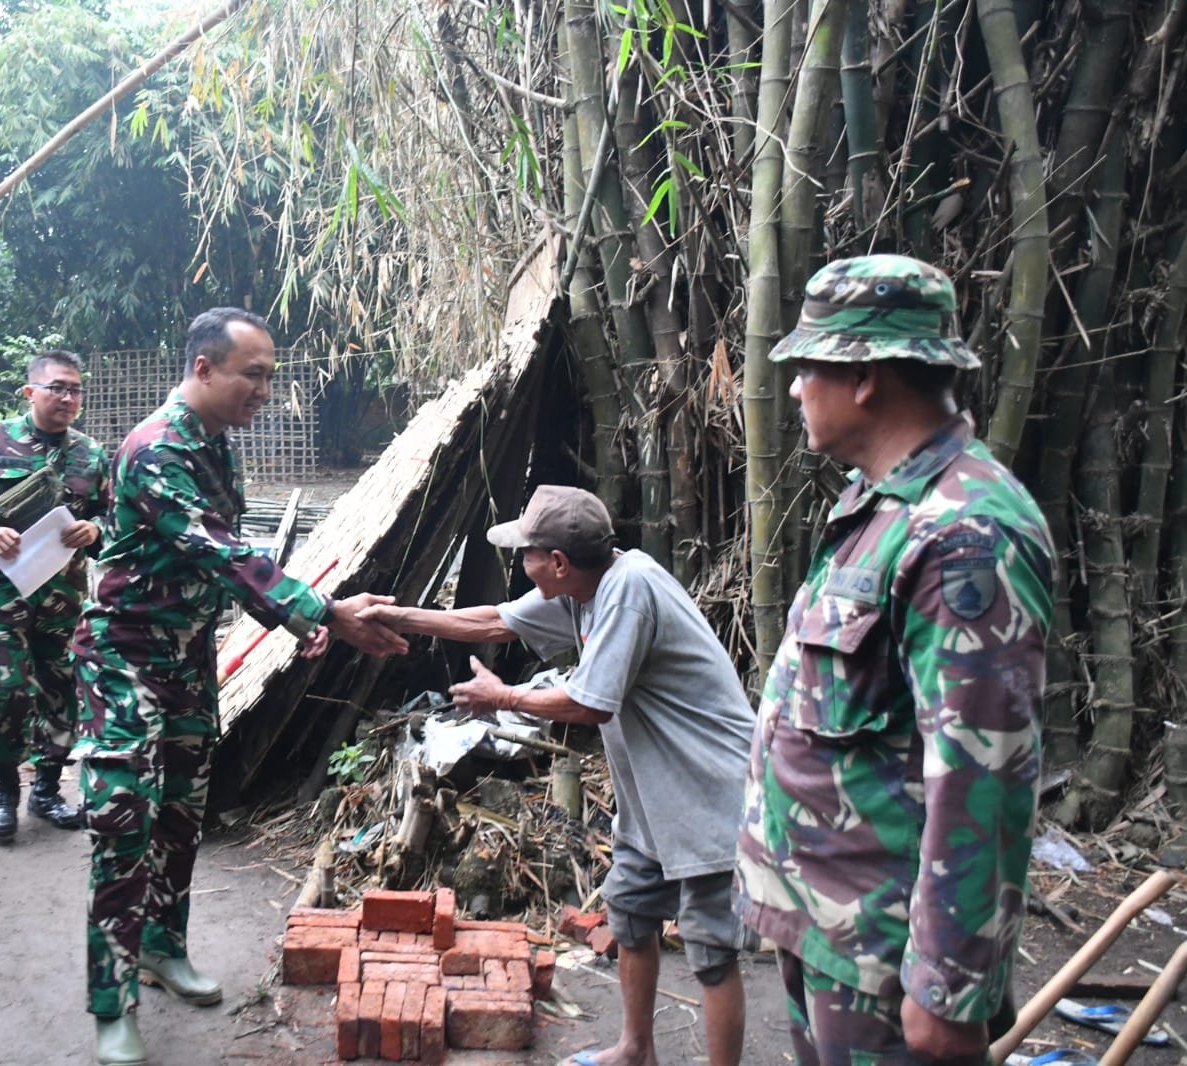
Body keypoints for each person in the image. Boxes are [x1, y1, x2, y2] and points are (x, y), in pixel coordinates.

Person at [734, 255, 1055, 1064]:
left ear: (866, 375)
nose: (798, 387)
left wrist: (948, 986)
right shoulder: (879, 505)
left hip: (883, 950)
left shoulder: (965, 534)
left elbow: (984, 772)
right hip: (830, 921)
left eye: (810, 367)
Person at [71, 308, 408, 1066]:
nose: (265, 390)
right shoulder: (156, 448)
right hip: (125, 657)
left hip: (186, 656)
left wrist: (288, 618)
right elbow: (214, 546)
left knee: (184, 810)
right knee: (124, 817)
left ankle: (162, 947)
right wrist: (317, 609)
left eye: (269, 376)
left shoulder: (215, 445)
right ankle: (111, 1002)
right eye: (252, 374)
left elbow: (225, 557)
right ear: (203, 369)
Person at [360, 484, 756, 1066]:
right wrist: (401, 616)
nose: (520, 564)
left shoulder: (628, 593)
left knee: (710, 948)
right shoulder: (584, 590)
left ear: (558, 563)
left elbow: (591, 703)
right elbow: (496, 622)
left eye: (526, 553)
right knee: (630, 912)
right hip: (654, 798)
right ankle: (634, 1049)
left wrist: (505, 696)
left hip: (708, 793)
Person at [0, 349, 107, 839]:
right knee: (6, 693)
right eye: (58, 387)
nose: (68, 397)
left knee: (62, 691)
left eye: (75, 389)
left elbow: (117, 517)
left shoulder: (89, 454)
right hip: (2, 594)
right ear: (30, 391)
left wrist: (95, 530)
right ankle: (4, 789)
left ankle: (48, 790)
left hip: (63, 597)